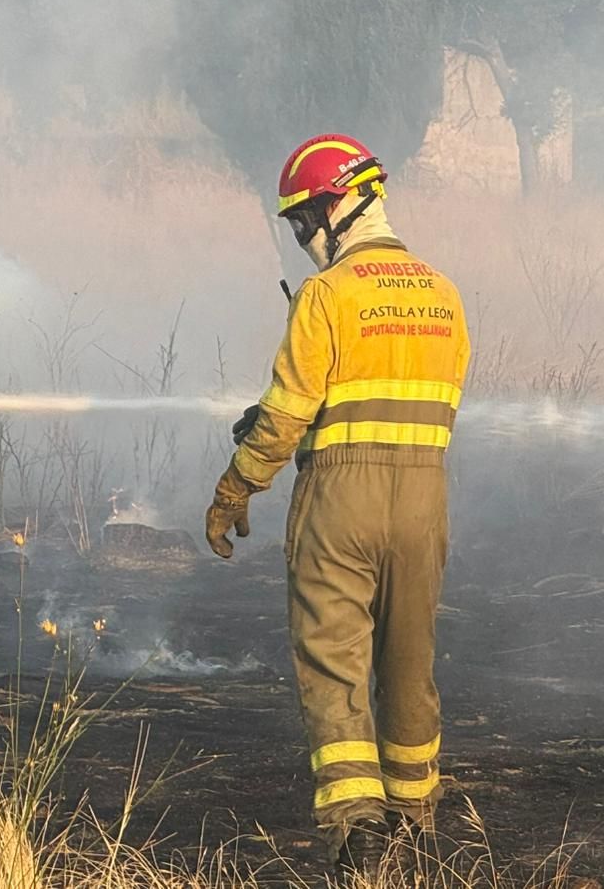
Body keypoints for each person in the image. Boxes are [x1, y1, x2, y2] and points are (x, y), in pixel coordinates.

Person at [206, 134, 470, 878]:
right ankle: (417, 822)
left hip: (340, 502)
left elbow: (291, 414)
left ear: (338, 205)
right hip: (424, 500)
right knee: (410, 664)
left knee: (333, 662)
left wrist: (237, 486)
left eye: (302, 221)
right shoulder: (443, 293)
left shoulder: (328, 295)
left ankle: (358, 830)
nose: (301, 239)